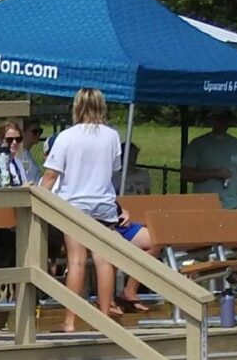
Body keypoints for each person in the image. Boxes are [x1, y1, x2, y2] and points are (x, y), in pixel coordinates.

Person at [39, 87, 153, 329]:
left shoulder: (67, 137)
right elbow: (113, 170)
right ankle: (103, 318)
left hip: (75, 206)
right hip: (103, 205)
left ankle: (70, 321)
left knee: (77, 261)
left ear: (77, 106)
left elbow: (50, 175)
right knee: (104, 261)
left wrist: (39, 198)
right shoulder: (111, 136)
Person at [182, 109, 237, 209]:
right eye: (219, 117)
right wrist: (215, 173)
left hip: (232, 206)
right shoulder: (197, 144)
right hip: (204, 207)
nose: (223, 120)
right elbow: (186, 174)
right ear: (211, 120)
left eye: (226, 117)